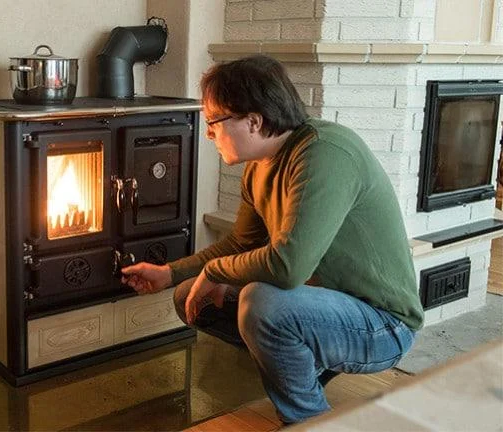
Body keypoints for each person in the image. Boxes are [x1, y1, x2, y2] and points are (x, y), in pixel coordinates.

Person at [121, 55, 423, 425]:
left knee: (262, 303)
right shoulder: (260, 166)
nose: (208, 134)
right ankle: (304, 370)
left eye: (213, 121)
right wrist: (169, 273)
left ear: (253, 121)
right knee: (190, 296)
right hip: (323, 306)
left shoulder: (325, 153)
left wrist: (216, 271)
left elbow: (288, 267)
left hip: (382, 324)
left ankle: (309, 421)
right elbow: (239, 245)